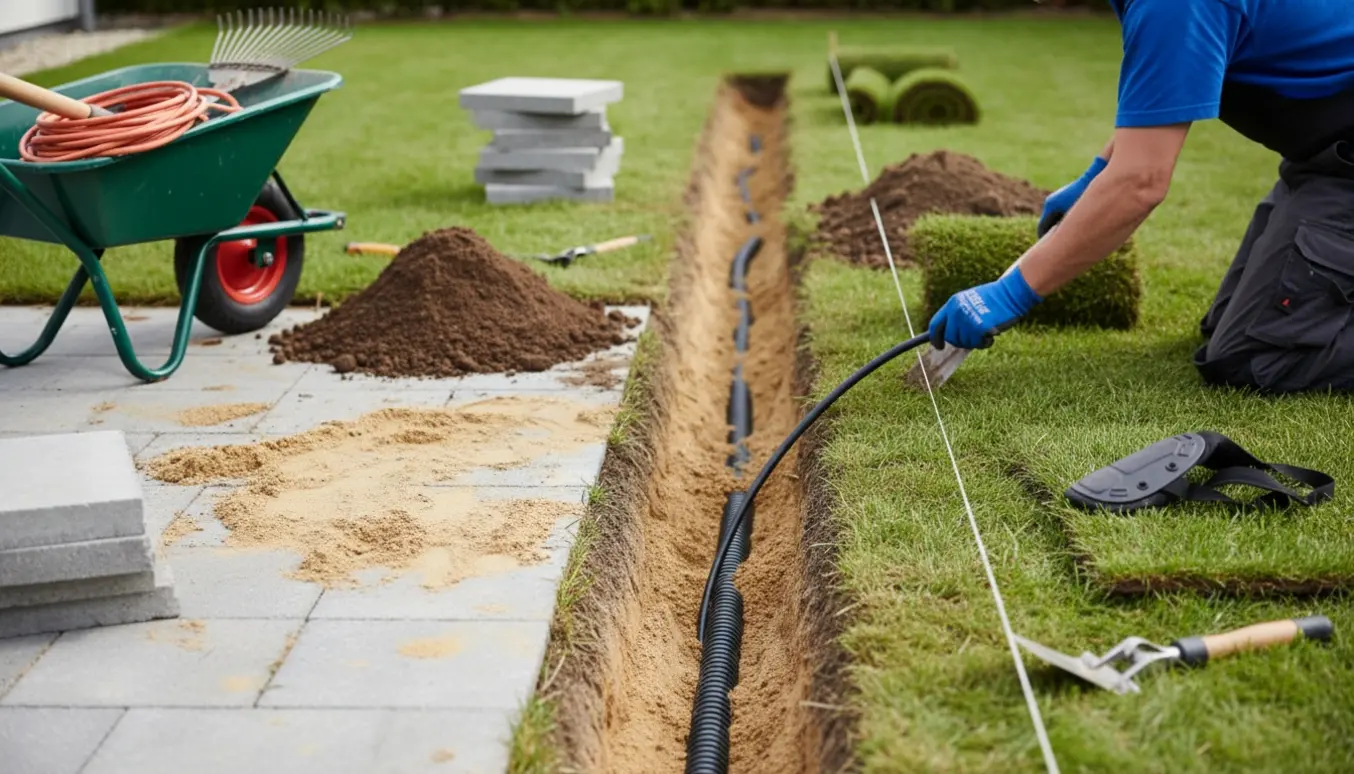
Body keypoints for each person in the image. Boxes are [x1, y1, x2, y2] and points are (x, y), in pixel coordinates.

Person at [926, 0, 1354, 394]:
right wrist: (1096, 176)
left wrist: (1011, 294)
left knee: (1255, 357)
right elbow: (1163, 95)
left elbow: (1141, 182)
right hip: (1319, 164)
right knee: (1230, 323)